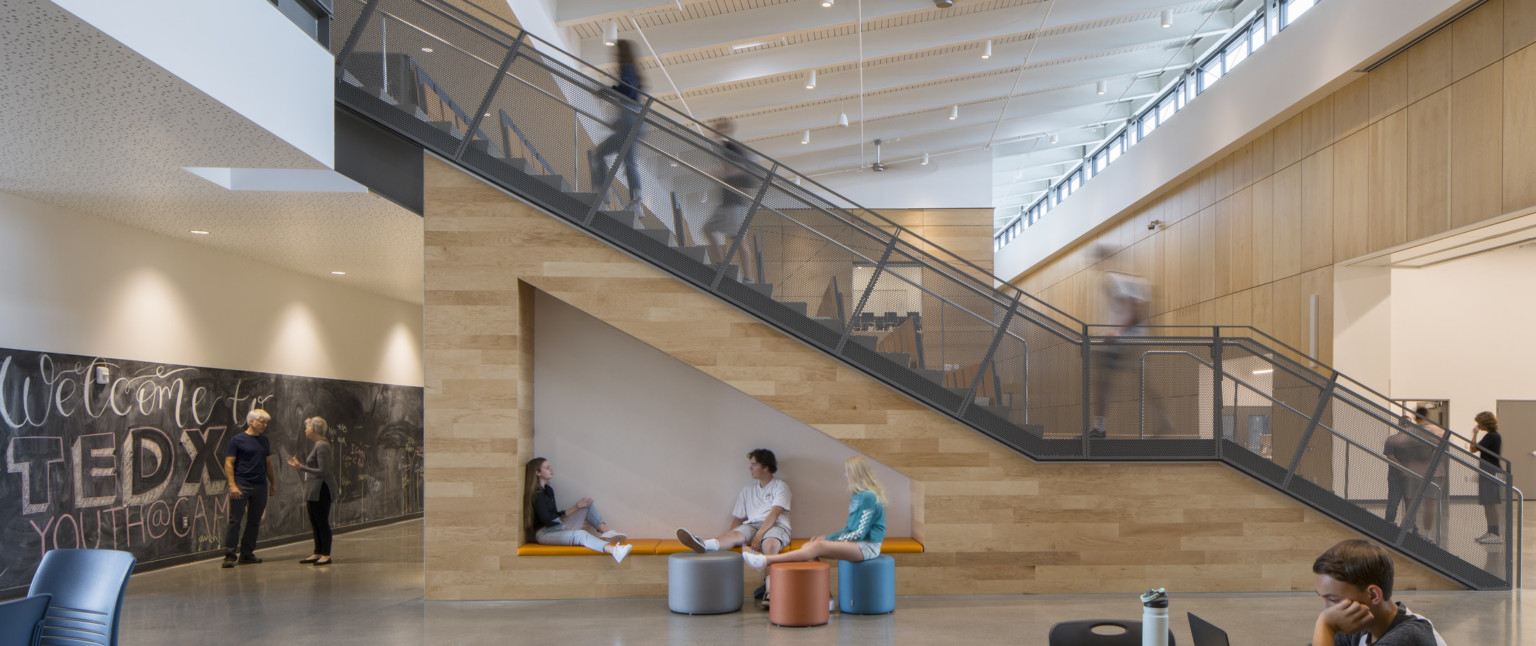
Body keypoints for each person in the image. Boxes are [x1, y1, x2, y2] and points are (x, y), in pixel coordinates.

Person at [676, 449, 790, 604]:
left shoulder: (780, 486)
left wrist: (759, 535)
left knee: (769, 544)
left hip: (776, 525)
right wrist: (732, 538)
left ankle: (771, 591)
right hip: (752, 525)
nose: (750, 468)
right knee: (735, 535)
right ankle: (704, 543)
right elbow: (738, 519)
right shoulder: (747, 490)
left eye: (754, 464)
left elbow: (774, 514)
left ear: (766, 467)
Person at [741, 456, 884, 575]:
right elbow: (849, 529)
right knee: (807, 546)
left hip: (867, 546)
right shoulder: (858, 496)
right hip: (857, 544)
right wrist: (827, 538)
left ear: (855, 473)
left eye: (847, 471)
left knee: (817, 546)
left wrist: (828, 541)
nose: (845, 475)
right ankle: (826, 598)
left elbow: (859, 533)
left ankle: (766, 560)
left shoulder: (868, 497)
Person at [1311, 539, 1447, 645]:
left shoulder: (1409, 637)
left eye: (1334, 600)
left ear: (1373, 595)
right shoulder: (1361, 630)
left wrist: (1326, 625)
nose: (1326, 610)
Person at [1089, 245, 1150, 438]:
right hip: (1132, 336)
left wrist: (1116, 332)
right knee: (1113, 380)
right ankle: (1164, 418)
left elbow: (1132, 310)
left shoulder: (1112, 279)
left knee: (1103, 381)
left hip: (1125, 338)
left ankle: (1099, 427)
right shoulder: (1128, 279)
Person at [523, 458, 632, 563]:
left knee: (586, 506)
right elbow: (546, 520)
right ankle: (614, 551)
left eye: (550, 466)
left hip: (555, 527)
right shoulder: (537, 496)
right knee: (580, 535)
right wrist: (566, 525)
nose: (551, 469)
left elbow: (555, 515)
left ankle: (606, 532)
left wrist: (577, 508)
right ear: (538, 472)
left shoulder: (549, 490)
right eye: (547, 468)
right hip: (544, 534)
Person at [700, 118, 758, 282]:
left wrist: (720, 173)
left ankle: (748, 277)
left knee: (738, 239)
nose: (715, 131)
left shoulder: (731, 146)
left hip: (735, 201)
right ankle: (721, 264)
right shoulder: (725, 148)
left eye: (719, 128)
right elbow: (729, 168)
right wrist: (716, 171)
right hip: (726, 201)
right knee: (708, 230)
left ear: (725, 130)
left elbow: (740, 168)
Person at [588, 39, 644, 208]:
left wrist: (608, 91)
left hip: (629, 118)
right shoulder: (634, 71)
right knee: (628, 160)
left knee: (602, 155)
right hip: (633, 120)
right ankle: (636, 199)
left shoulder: (627, 69)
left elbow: (627, 89)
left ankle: (603, 190)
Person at [222, 409, 276, 568]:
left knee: (254, 521)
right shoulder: (237, 440)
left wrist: (273, 483)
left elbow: (268, 463)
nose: (265, 425)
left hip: (260, 486)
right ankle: (230, 555)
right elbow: (229, 463)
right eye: (262, 422)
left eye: (266, 422)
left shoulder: (264, 441)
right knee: (235, 520)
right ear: (251, 422)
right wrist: (232, 485)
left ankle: (247, 553)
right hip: (241, 485)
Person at [287, 416, 337, 565]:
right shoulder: (317, 445)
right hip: (313, 489)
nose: (305, 430)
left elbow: (323, 470)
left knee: (321, 522)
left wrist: (300, 467)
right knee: (315, 522)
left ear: (314, 429)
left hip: (322, 489)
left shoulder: (322, 446)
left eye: (307, 427)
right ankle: (317, 552)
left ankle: (326, 554)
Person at [1471, 411, 1504, 544]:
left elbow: (1473, 448)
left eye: (1479, 423)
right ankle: (1490, 531)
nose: (1478, 425)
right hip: (1486, 472)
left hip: (1491, 472)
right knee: (1486, 503)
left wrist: (1474, 433)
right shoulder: (1490, 436)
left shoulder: (1493, 436)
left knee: (1491, 503)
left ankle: (1495, 534)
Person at [1381, 415, 1416, 525]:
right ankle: (1388, 525)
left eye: (1407, 423)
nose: (1405, 424)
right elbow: (1390, 455)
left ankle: (1411, 529)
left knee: (1411, 505)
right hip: (1395, 477)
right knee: (1393, 503)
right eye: (1403, 422)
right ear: (1399, 424)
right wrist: (1403, 468)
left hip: (1410, 478)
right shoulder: (1392, 440)